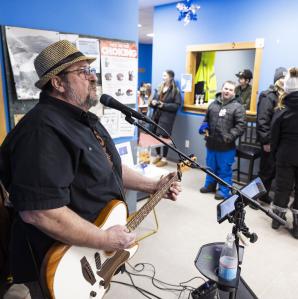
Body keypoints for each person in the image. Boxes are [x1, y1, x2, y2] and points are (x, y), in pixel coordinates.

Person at [0, 40, 182, 298]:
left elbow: (110, 168)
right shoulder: (41, 132)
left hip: (87, 249)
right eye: (83, 72)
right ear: (58, 83)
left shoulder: (85, 119)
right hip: (55, 261)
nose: (93, 77)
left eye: (91, 70)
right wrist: (104, 240)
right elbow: (40, 212)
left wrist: (153, 185)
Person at [199, 81, 246, 200]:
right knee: (211, 167)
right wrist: (204, 126)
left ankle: (224, 190)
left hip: (226, 146)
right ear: (222, 89)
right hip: (211, 143)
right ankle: (210, 185)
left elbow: (241, 126)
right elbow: (206, 119)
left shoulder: (238, 107)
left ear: (234, 93)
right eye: (226, 88)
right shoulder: (213, 104)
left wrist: (229, 136)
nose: (227, 91)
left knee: (224, 169)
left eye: (230, 90)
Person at [270, 67, 298, 238]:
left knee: (282, 188)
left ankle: (277, 220)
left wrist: (275, 155)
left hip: (284, 155)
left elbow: (274, 137)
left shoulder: (281, 111)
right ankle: (297, 228)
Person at [256, 67, 287, 204]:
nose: (284, 82)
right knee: (265, 172)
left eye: (286, 79)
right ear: (276, 80)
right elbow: (262, 120)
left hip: (279, 142)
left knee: (272, 171)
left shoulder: (284, 96)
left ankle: (264, 195)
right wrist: (266, 142)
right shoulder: (268, 96)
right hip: (269, 141)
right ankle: (254, 198)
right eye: (281, 79)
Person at [149, 70, 181, 167]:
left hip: (167, 118)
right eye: (162, 75)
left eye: (165, 75)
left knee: (165, 138)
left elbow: (176, 106)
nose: (163, 77)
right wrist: (153, 103)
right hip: (156, 116)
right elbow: (153, 100)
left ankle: (164, 158)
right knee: (155, 136)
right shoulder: (159, 87)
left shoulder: (175, 91)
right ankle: (158, 155)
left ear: (170, 77)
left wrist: (163, 105)